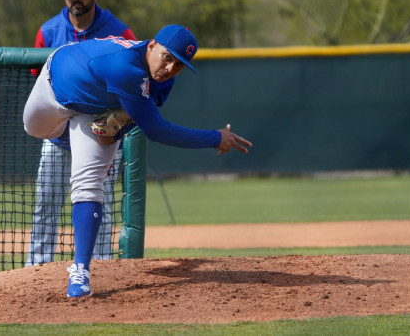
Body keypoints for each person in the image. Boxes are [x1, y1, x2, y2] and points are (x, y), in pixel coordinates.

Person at [22, 24, 252, 297]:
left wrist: (119, 129)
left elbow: (142, 119)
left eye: (179, 65)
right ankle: (68, 140)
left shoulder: (164, 80)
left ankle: (80, 271)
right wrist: (214, 138)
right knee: (33, 129)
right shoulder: (125, 68)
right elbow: (156, 130)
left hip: (94, 110)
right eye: (167, 57)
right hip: (56, 85)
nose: (170, 68)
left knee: (89, 184)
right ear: (152, 45)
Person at [25, 0, 136, 267]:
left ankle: (100, 266)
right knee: (45, 206)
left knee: (102, 204)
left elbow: (134, 79)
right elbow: (38, 81)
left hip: (100, 136)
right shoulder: (48, 31)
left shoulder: (118, 31)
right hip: (58, 136)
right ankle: (37, 269)